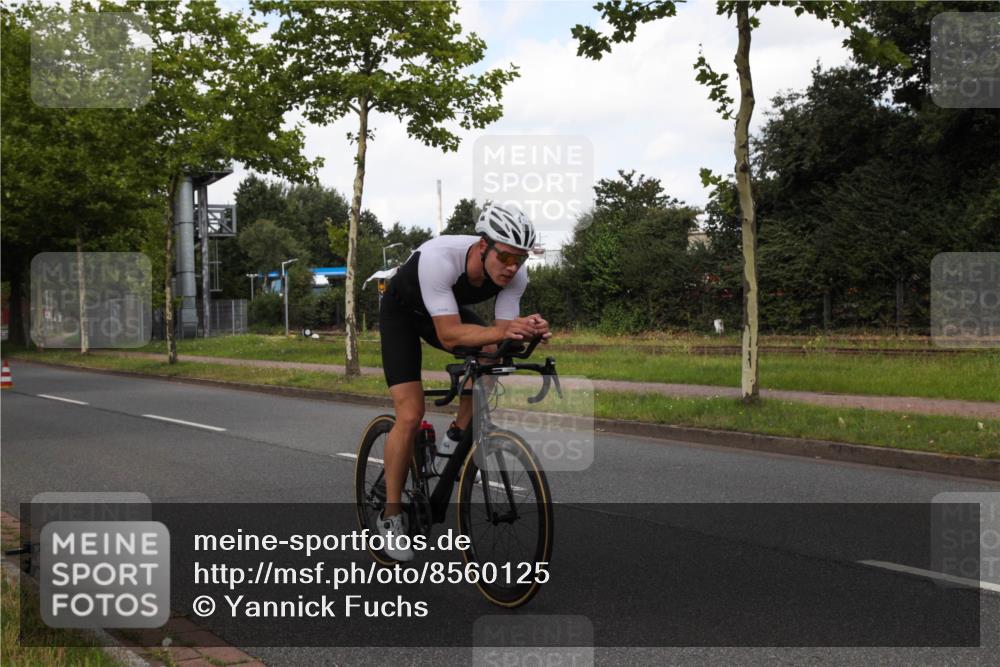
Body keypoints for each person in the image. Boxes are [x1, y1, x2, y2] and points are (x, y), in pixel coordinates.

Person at [377, 202, 551, 561]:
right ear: (483, 245)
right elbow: (452, 334)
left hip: (444, 312)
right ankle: (390, 517)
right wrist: (505, 332)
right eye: (505, 257)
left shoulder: (516, 275)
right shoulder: (440, 259)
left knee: (492, 352)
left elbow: (502, 334)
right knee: (410, 415)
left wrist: (527, 331)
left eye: (520, 259)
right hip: (403, 316)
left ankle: (456, 433)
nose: (512, 267)